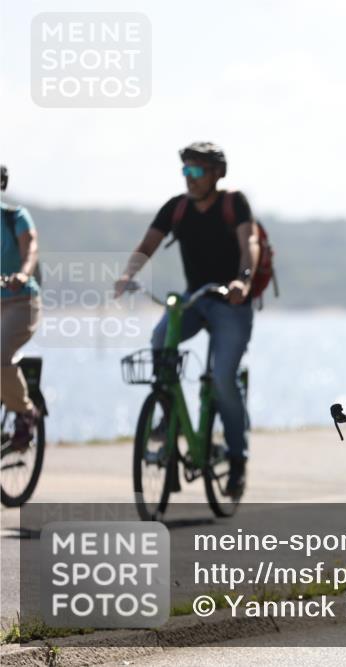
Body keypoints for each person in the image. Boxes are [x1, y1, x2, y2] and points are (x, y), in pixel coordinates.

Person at [114, 142, 258, 497]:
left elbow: (249, 242)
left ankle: (237, 460)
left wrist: (243, 279)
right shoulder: (176, 208)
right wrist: (127, 274)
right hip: (195, 299)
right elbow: (147, 245)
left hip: (230, 302)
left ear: (216, 174)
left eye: (197, 171)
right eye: (186, 171)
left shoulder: (233, 202)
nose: (190, 179)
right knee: (161, 340)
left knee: (223, 377)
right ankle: (167, 414)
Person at [0, 165, 42, 450]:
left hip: (21, 301)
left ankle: (26, 412)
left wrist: (23, 274)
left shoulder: (15, 216)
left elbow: (31, 251)